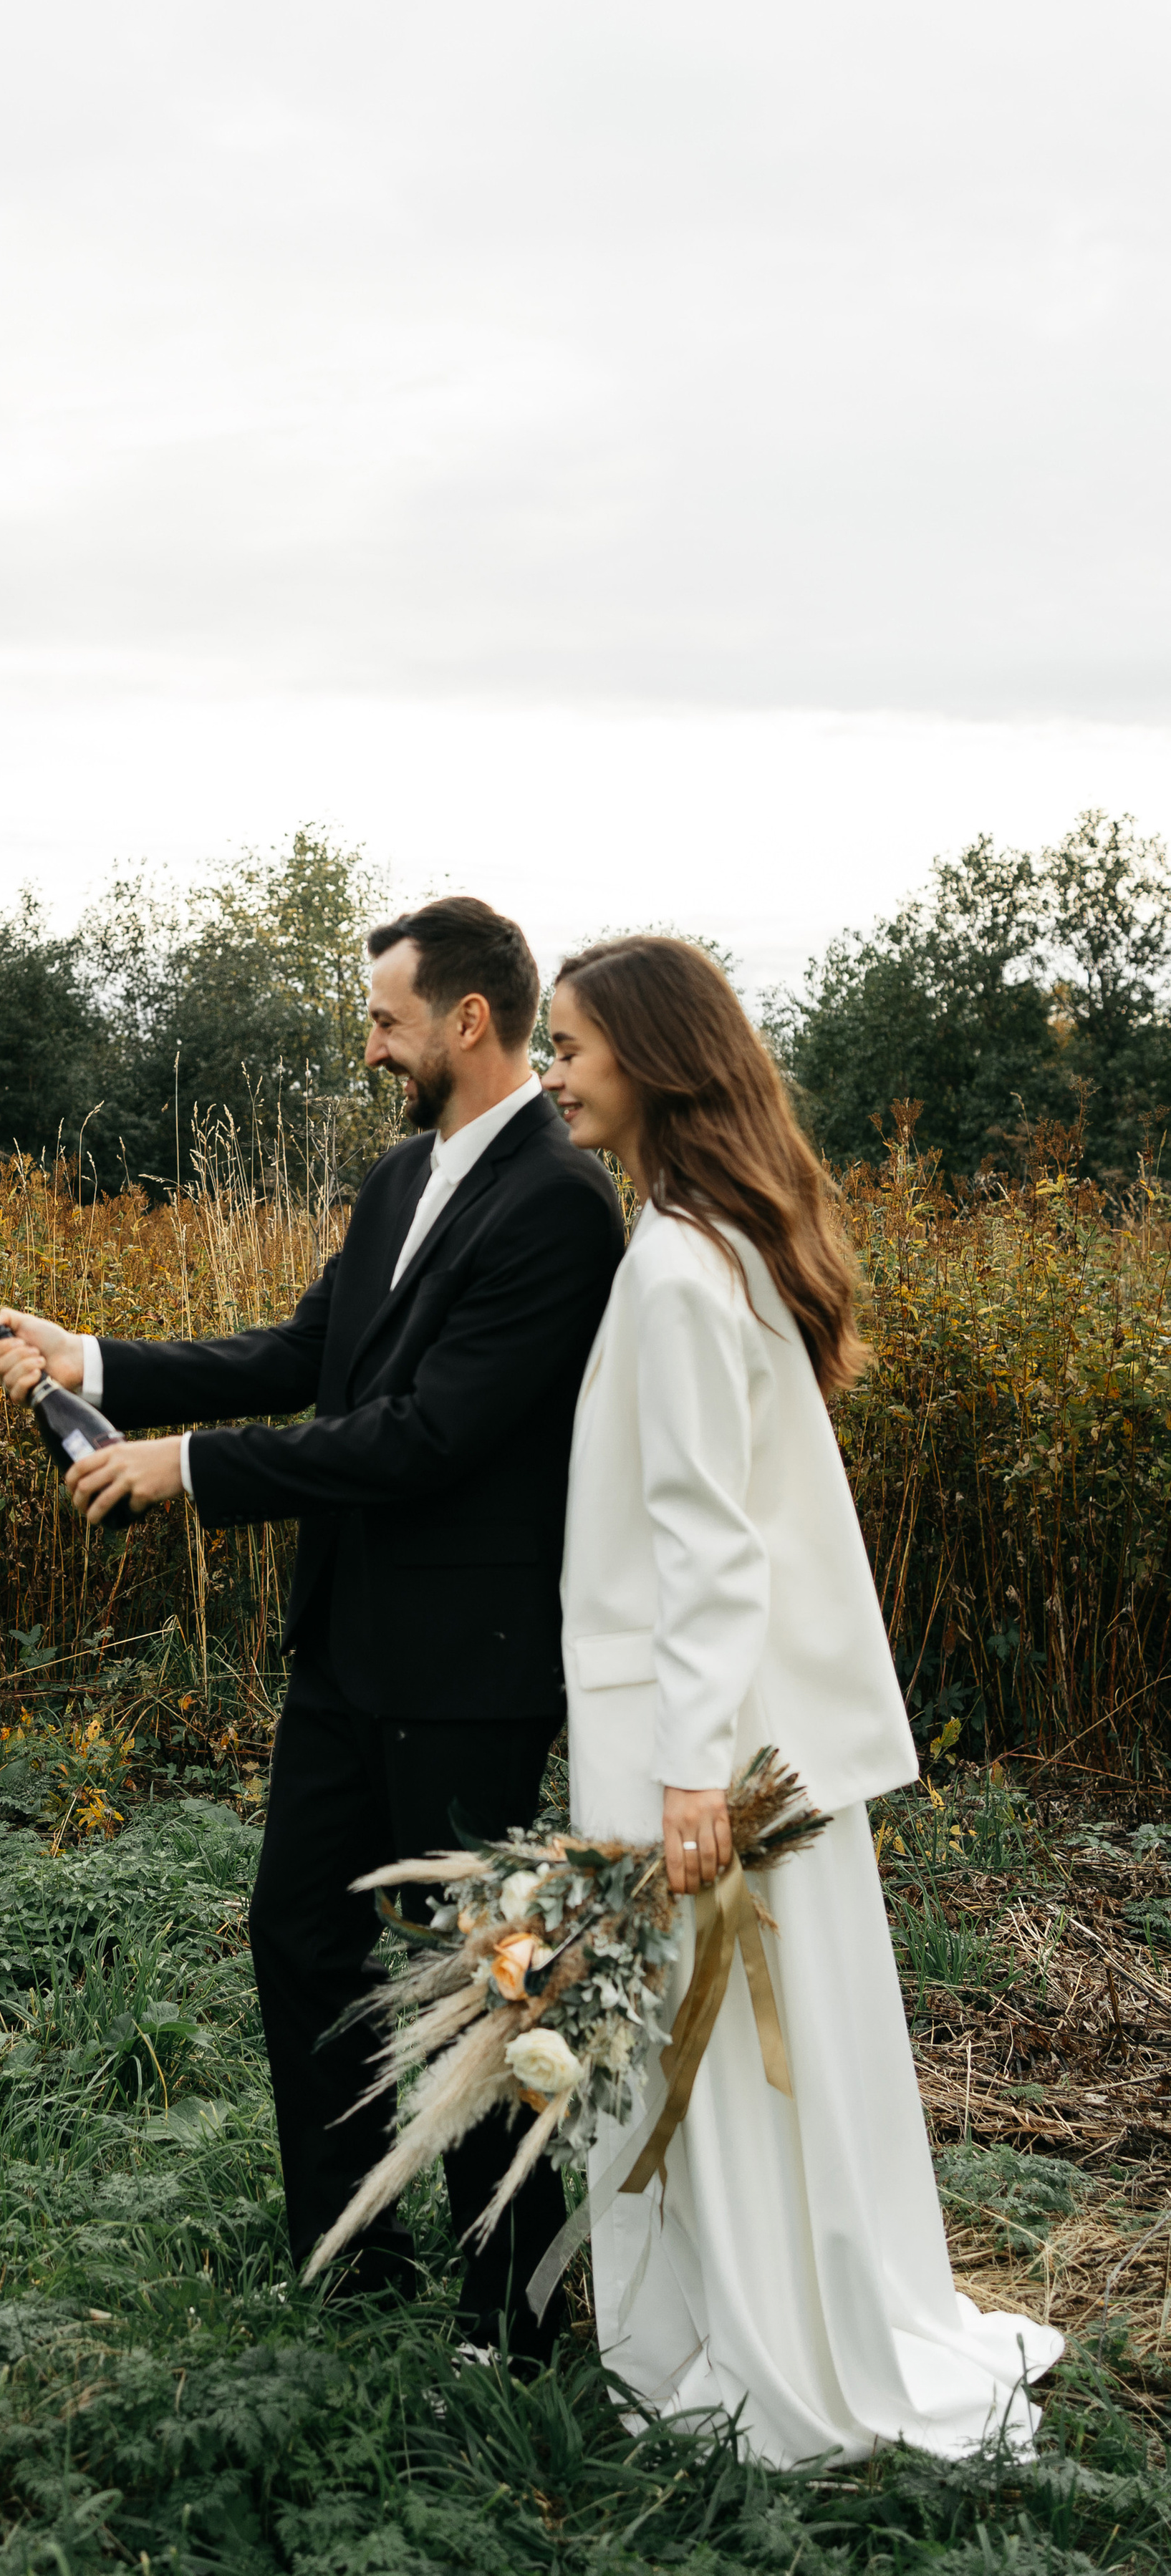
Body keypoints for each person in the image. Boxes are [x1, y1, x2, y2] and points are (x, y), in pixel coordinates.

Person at [0, 896, 625, 2358]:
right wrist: (95, 1360)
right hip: (346, 1652)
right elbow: (303, 1353)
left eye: (387, 1019)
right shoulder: (402, 1178)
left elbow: (422, 1439)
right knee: (299, 1942)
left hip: (464, 1669)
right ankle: (350, 2252)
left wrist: (192, 1471)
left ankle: (506, 2309)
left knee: (478, 1992)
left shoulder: (556, 1206)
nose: (370, 1043)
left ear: (469, 1020)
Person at [542, 934, 1061, 2462]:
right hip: (751, 1723)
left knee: (706, 2054)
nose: (556, 1075)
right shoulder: (716, 1241)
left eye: (569, 1047)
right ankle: (798, 2307)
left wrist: (688, 1778)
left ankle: (752, 2346)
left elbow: (709, 1543)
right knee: (770, 2056)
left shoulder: (673, 1266)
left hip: (693, 1731)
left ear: (648, 1059)